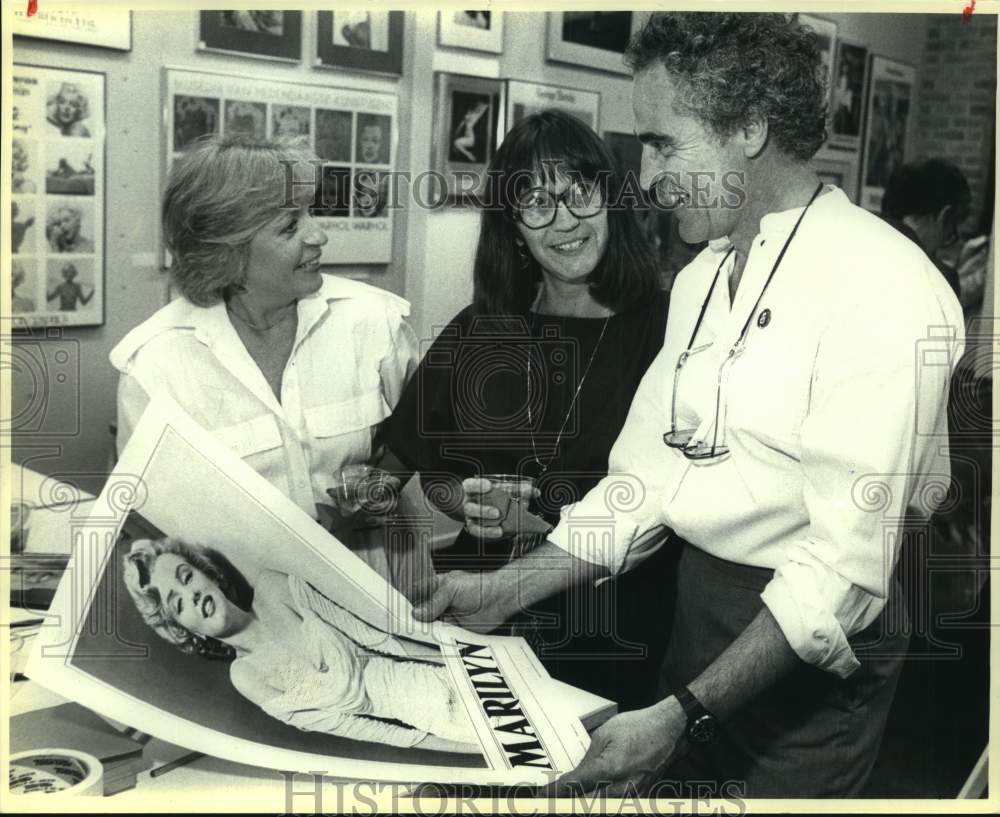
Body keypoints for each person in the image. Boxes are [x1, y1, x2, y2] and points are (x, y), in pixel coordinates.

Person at [413, 12, 965, 797]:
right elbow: (645, 486)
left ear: (747, 128)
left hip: (807, 655)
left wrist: (681, 715)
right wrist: (504, 589)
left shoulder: (884, 285)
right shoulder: (704, 277)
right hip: (697, 624)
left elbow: (842, 571)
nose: (647, 179)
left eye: (665, 144)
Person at [386, 110, 676, 711]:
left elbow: (675, 503)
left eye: (580, 193)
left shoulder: (668, 327)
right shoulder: (478, 329)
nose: (565, 220)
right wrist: (450, 497)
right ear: (513, 228)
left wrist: (553, 524)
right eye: (537, 202)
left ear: (611, 201)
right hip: (472, 621)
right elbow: (395, 466)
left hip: (609, 635)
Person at [110, 135, 420, 564]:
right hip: (244, 608)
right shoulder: (156, 363)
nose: (319, 235)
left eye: (311, 214)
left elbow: (417, 438)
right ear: (227, 250)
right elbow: (149, 519)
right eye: (290, 226)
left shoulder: (373, 322)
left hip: (380, 575)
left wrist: (370, 493)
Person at [122, 537, 478, 753]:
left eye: (187, 578)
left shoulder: (274, 588)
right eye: (178, 603)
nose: (192, 593)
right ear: (185, 630)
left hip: (440, 673)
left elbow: (381, 640)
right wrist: (469, 749)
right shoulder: (245, 676)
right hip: (433, 721)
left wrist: (470, 664)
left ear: (209, 574)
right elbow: (366, 730)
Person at [881, 158, 971, 299]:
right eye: (950, 233)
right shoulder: (941, 280)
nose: (943, 244)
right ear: (944, 216)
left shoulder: (845, 246)